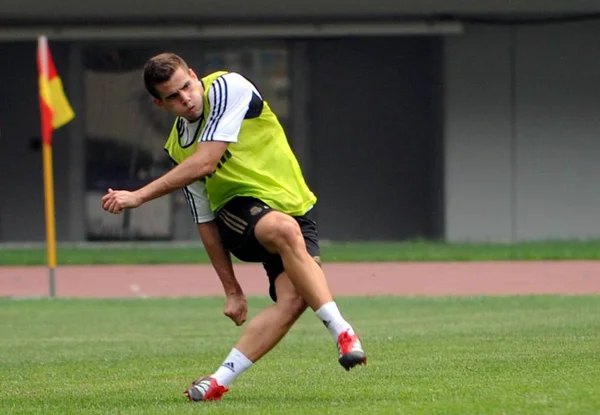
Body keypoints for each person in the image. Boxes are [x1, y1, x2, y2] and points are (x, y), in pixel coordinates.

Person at [101, 52, 367, 402]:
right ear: (159, 104)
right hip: (237, 213)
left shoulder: (228, 86)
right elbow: (206, 221)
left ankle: (217, 381)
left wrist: (137, 196)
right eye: (173, 97)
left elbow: (208, 158)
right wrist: (231, 287)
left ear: (194, 75)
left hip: (292, 205)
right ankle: (344, 333)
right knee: (284, 231)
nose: (186, 99)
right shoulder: (179, 147)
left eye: (186, 86)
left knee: (296, 299)